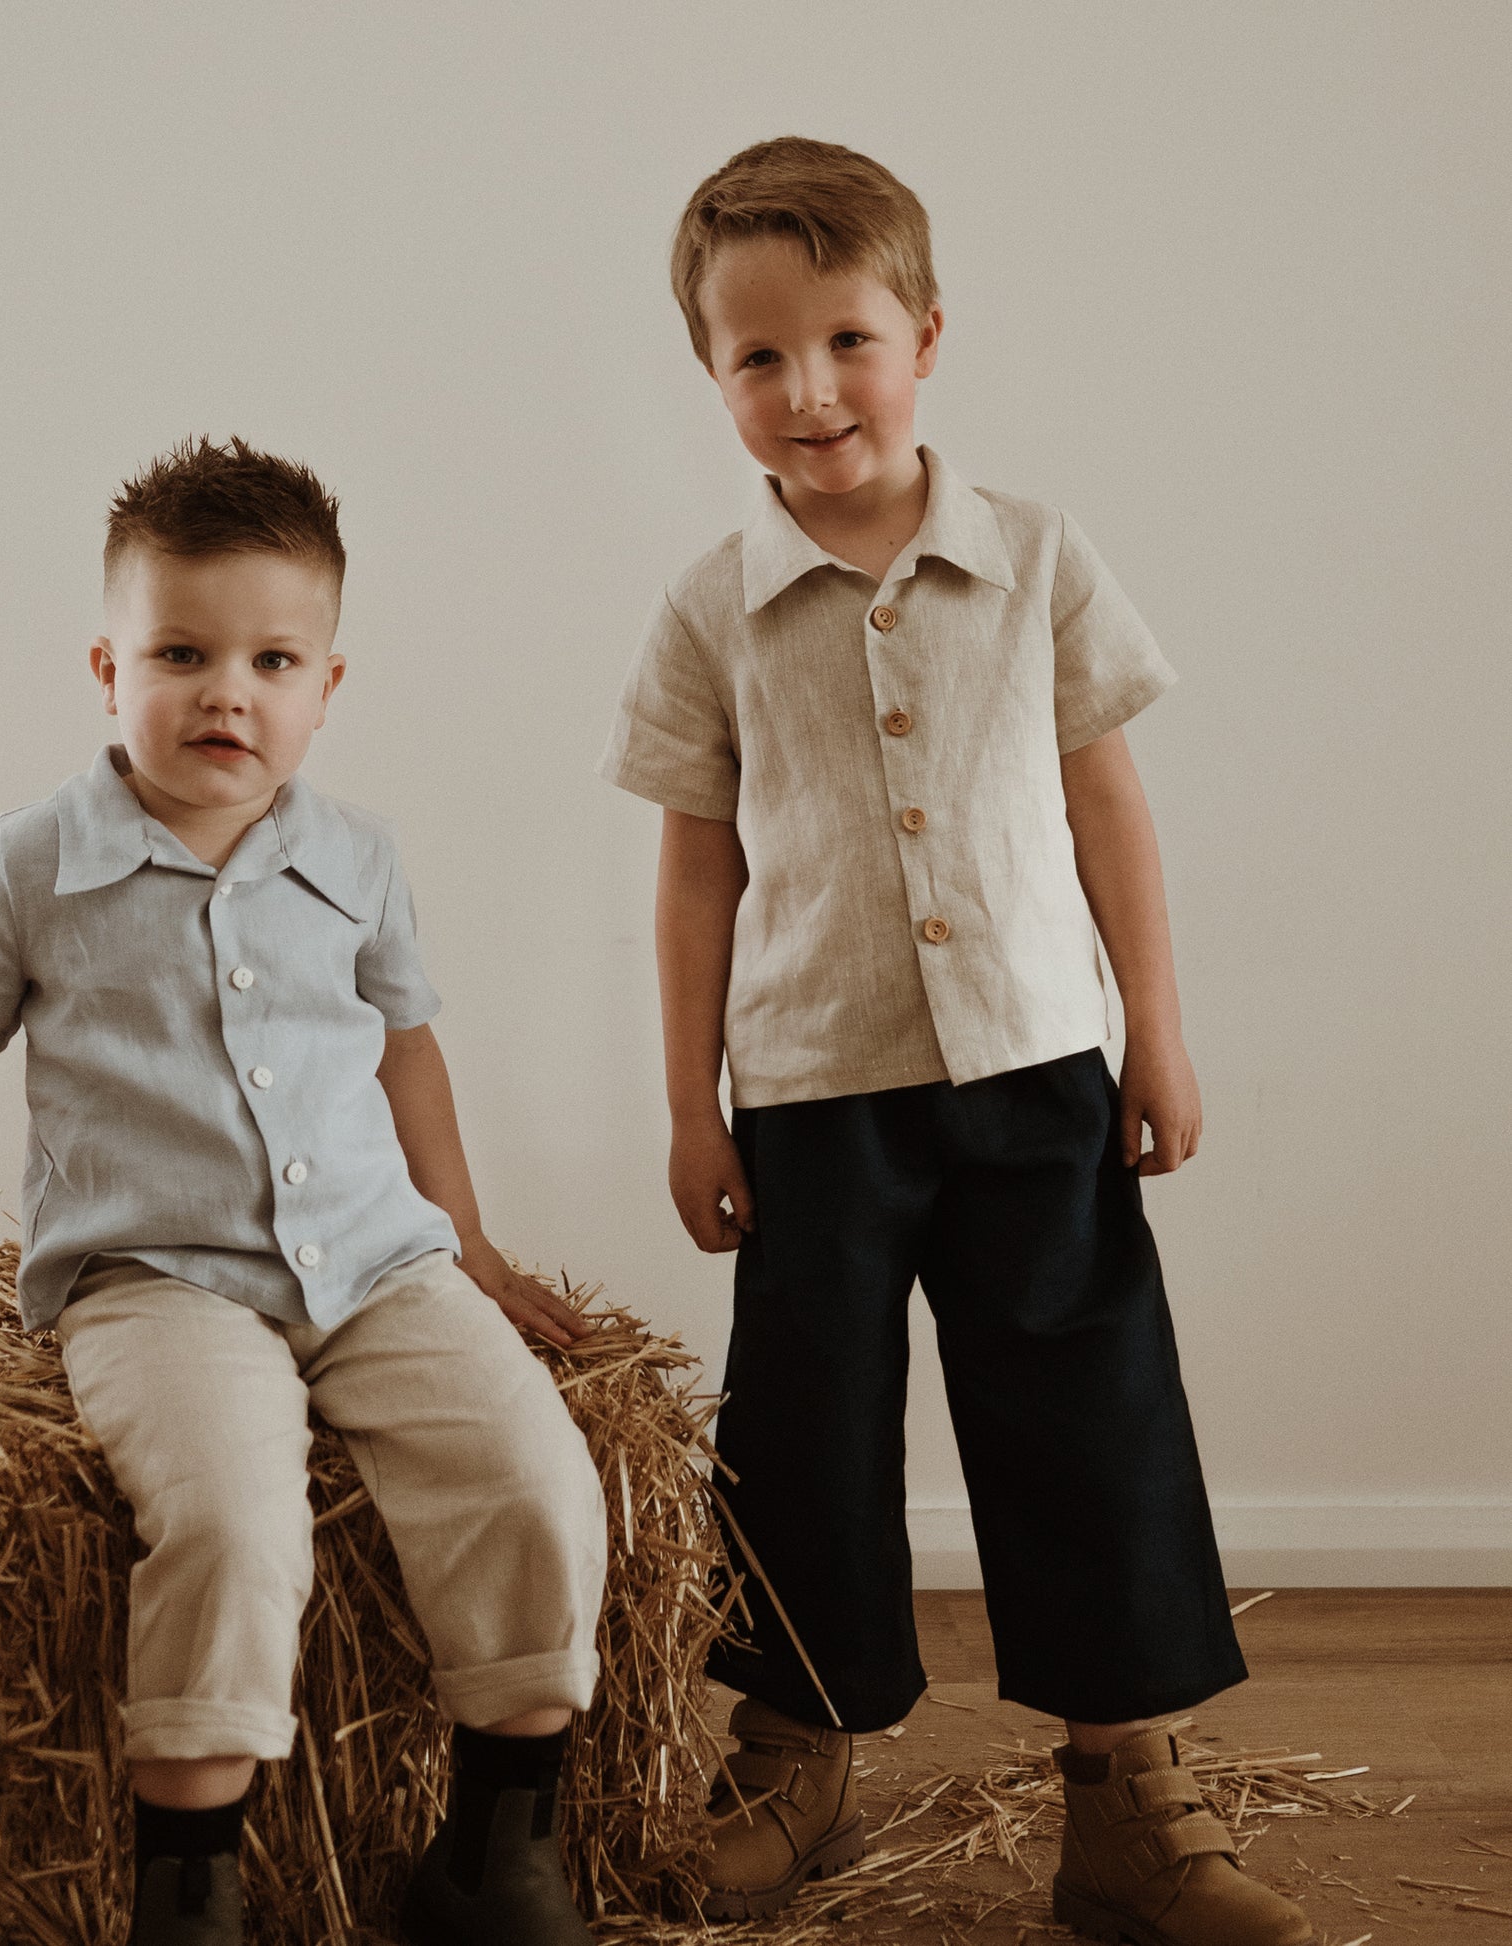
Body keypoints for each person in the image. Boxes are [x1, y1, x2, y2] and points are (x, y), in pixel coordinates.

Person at [0, 436, 608, 1946]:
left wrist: (468, 1242)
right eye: (180, 652)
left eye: (271, 657)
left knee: (535, 1474)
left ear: (329, 683)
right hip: (157, 1276)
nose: (226, 692)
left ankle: (496, 1846)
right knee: (234, 1520)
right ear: (105, 664)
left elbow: (406, 1052)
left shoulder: (360, 857)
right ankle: (191, 1882)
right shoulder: (37, 861)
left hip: (376, 1264)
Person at [599, 137, 1312, 1946]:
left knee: (1087, 1405)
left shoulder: (1038, 559)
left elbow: (1107, 810)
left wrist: (1156, 1032)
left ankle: (1125, 1794)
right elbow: (693, 872)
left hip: (1032, 1069)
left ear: (923, 333)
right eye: (757, 356)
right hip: (814, 1090)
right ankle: (790, 1753)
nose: (808, 387)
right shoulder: (709, 609)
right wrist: (688, 1105)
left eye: (845, 337)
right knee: (803, 1425)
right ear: (711, 375)